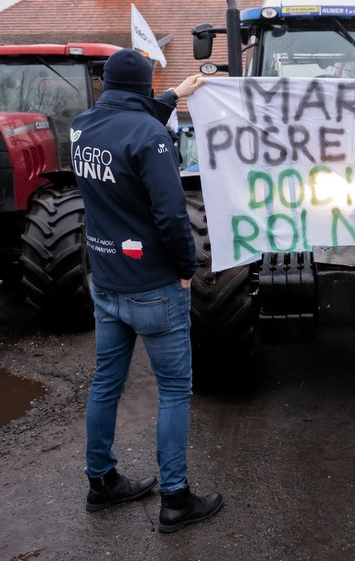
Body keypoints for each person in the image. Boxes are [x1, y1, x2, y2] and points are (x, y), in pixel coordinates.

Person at [71, 48, 223, 533]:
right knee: (175, 390)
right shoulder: (152, 136)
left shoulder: (81, 127)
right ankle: (176, 500)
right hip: (154, 285)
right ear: (141, 88)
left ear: (106, 84)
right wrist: (186, 267)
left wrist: (174, 95)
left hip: (107, 281)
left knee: (106, 383)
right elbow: (171, 215)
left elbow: (123, 130)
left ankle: (102, 482)